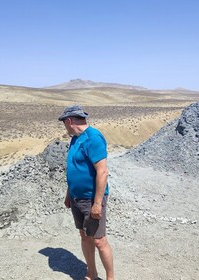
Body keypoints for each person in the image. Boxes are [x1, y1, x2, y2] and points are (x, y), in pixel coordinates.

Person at [59, 105, 115, 280]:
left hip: (92, 199)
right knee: (84, 236)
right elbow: (74, 168)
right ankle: (91, 273)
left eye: (64, 124)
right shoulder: (75, 139)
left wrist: (97, 203)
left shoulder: (94, 138)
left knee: (99, 240)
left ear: (69, 121)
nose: (65, 127)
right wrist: (69, 194)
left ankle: (110, 277)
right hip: (77, 198)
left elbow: (102, 172)